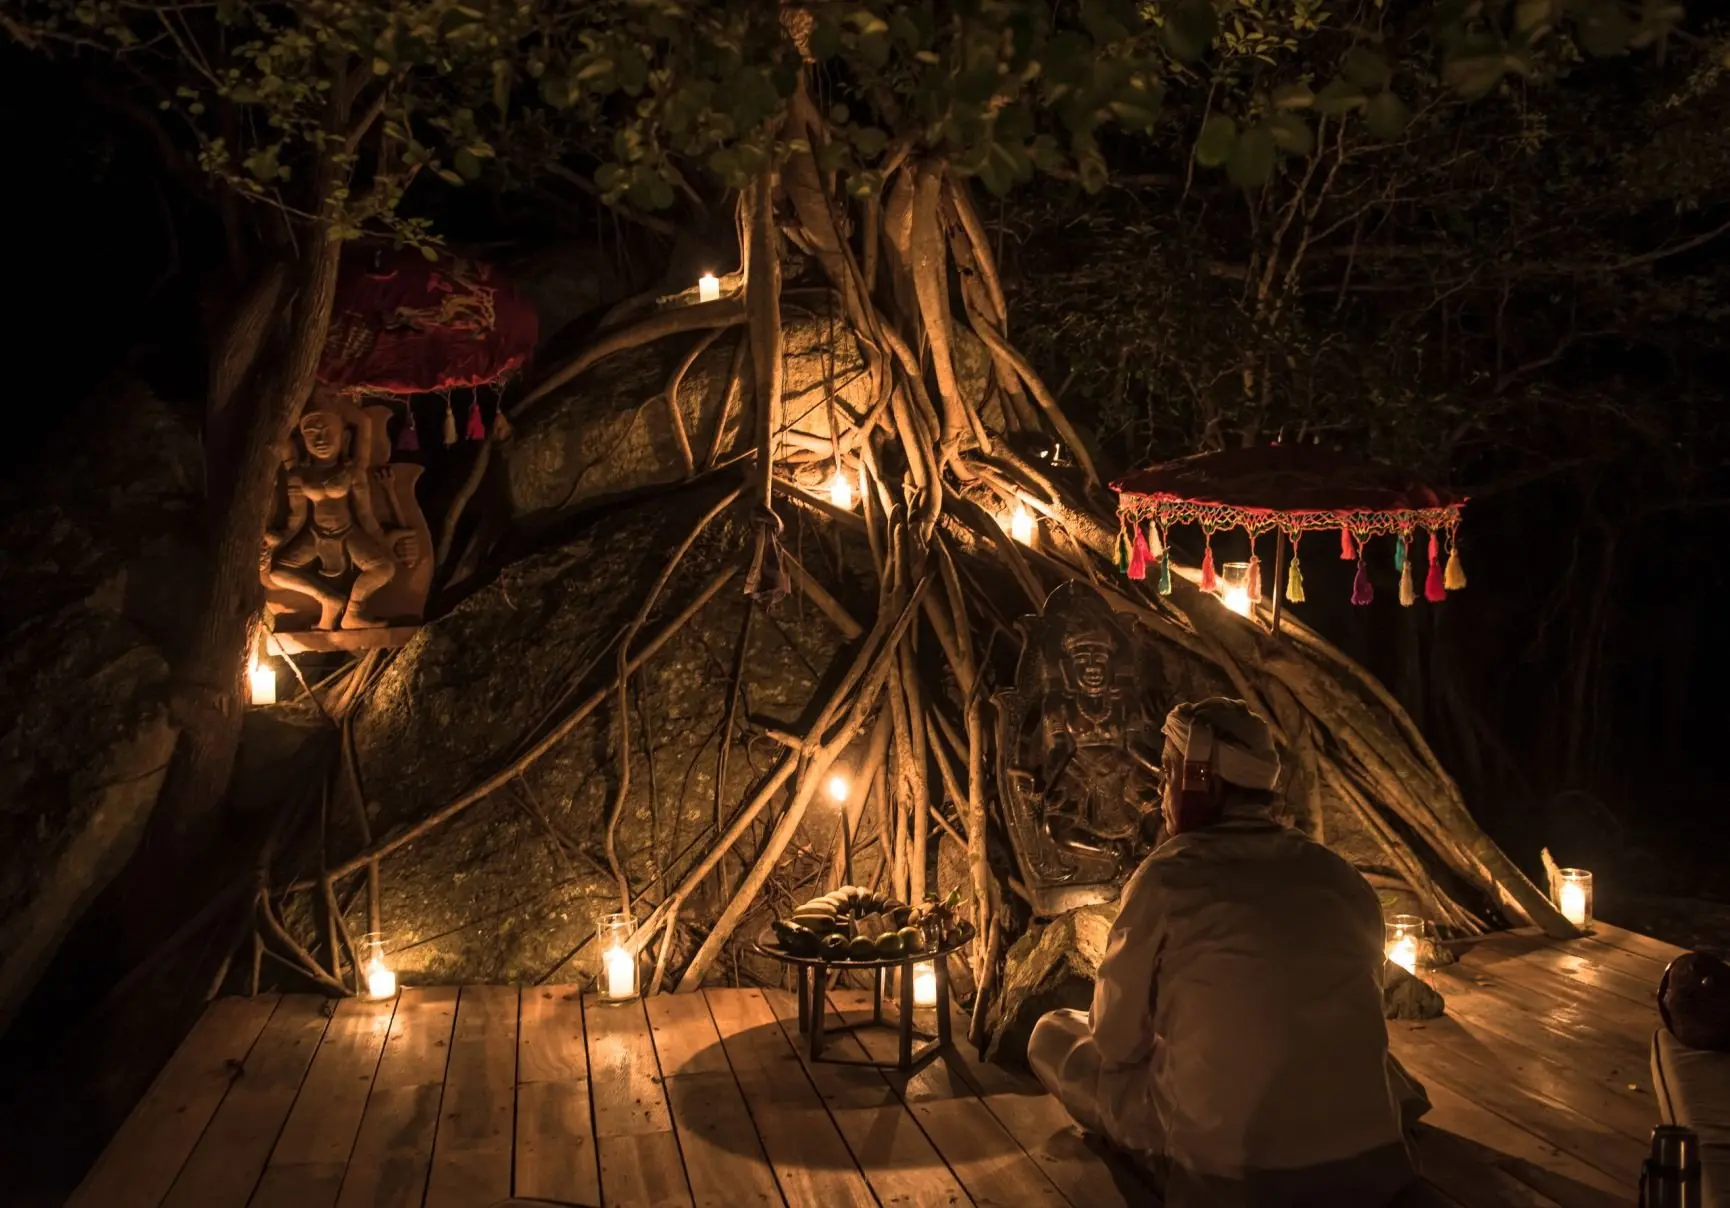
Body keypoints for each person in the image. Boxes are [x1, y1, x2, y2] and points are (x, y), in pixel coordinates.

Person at [1028, 696, 1428, 1207]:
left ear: (1202, 782)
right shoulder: (1341, 876)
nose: (1159, 788)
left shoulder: (1166, 877)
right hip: (1372, 1166)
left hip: (1233, 1174)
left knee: (1053, 1033)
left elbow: (1115, 1041)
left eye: (1169, 773)